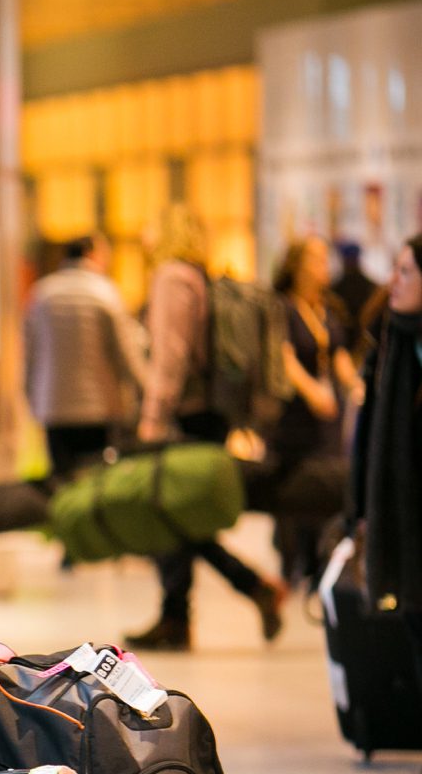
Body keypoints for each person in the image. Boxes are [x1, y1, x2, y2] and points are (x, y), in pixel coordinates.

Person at [129, 206, 287, 651]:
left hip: (186, 416)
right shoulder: (200, 277)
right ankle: (181, 614)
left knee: (168, 512)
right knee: (180, 514)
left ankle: (238, 592)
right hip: (210, 413)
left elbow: (171, 354)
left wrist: (153, 418)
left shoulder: (172, 277)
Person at [272, 235, 363, 588]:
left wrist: (356, 386)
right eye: (316, 259)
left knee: (326, 484)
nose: (323, 265)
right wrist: (311, 392)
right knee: (295, 485)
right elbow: (285, 358)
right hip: (294, 415)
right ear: (297, 266)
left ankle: (320, 564)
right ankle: (293, 562)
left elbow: (338, 355)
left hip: (327, 415)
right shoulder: (283, 307)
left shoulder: (328, 308)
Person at [23, 232, 149, 479]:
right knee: (95, 482)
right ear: (91, 254)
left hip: (53, 406)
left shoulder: (42, 294)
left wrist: (32, 400)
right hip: (98, 408)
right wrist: (145, 393)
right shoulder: (105, 293)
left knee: (61, 481)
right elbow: (126, 355)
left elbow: (29, 355)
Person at [353, 234, 422, 647]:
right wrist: (360, 510)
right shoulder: (390, 341)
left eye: (406, 272)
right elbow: (368, 436)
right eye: (395, 269)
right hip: (402, 512)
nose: (393, 280)